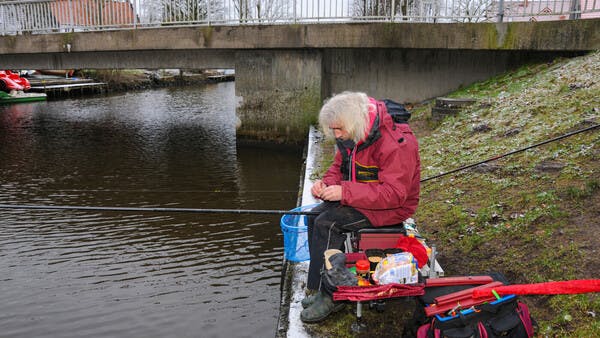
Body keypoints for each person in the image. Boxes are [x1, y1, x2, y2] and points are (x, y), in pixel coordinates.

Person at [300, 91, 421, 323]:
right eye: (332, 130)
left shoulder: (395, 144)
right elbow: (339, 167)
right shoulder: (352, 132)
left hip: (391, 208)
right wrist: (326, 184)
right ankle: (317, 288)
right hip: (363, 197)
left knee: (328, 223)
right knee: (314, 216)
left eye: (338, 130)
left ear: (354, 122)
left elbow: (395, 195)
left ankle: (332, 296)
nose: (336, 135)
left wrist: (345, 192)